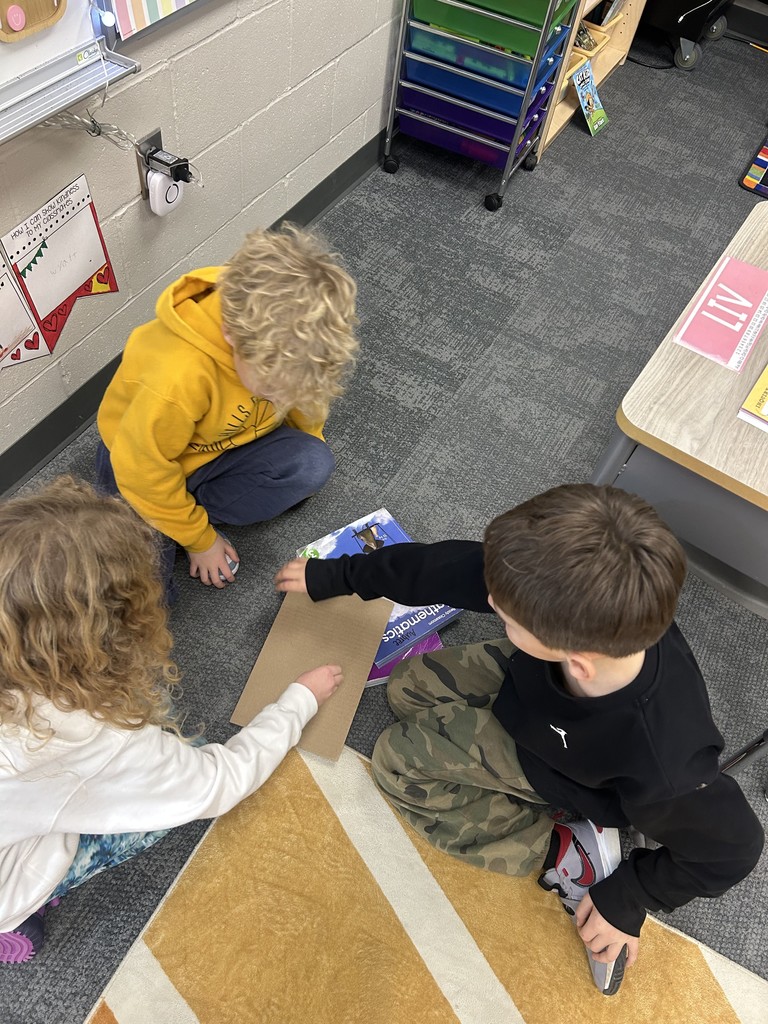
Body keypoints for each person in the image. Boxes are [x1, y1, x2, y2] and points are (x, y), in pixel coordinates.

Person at [275, 483, 765, 996]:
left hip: (562, 770)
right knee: (408, 686)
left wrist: (631, 894)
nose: (488, 601)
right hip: (532, 697)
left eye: (505, 615)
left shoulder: (666, 763)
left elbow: (733, 850)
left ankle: (562, 846)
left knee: (396, 761)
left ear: (573, 660)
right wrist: (338, 575)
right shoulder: (583, 606)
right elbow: (449, 569)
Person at [0, 478, 342, 964]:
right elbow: (219, 784)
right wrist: (299, 701)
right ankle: (15, 915)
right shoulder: (97, 739)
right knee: (177, 771)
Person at [95, 223, 359, 597]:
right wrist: (200, 540)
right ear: (233, 335)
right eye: (274, 388)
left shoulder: (295, 345)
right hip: (138, 463)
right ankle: (173, 516)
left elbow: (307, 397)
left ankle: (182, 508)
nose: (283, 397)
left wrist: (303, 417)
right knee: (144, 592)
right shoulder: (175, 379)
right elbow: (143, 472)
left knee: (312, 461)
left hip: (219, 447)